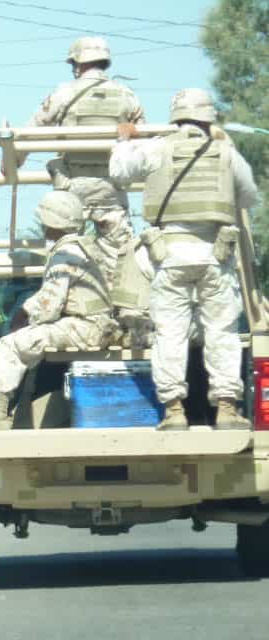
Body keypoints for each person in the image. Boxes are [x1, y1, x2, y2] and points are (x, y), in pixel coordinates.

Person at [110, 88, 259, 430]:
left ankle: (174, 411)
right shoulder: (225, 152)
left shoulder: (158, 147)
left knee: (170, 333)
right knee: (221, 331)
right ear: (209, 118)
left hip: (170, 256)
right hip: (215, 256)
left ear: (176, 116)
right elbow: (248, 196)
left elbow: (119, 171)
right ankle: (226, 409)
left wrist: (123, 139)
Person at [0, 191, 117, 433]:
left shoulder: (65, 254)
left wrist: (23, 314)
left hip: (84, 328)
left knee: (10, 344)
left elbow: (49, 306)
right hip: (101, 326)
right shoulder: (92, 248)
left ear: (51, 223)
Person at [24, 36, 144, 231]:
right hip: (112, 185)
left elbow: (33, 127)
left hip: (71, 184)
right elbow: (143, 136)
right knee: (118, 253)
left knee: (65, 246)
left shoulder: (64, 92)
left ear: (77, 64)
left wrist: (14, 160)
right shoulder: (126, 94)